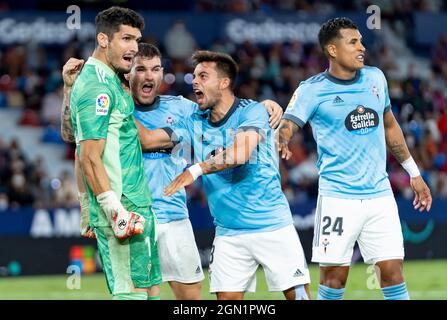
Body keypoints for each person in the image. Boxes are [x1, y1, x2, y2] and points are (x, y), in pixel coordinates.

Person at [61, 43, 283, 300]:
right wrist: (70, 90)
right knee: (141, 295)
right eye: (140, 69)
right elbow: (72, 136)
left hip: (174, 216)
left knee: (191, 300)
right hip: (133, 216)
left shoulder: (182, 108)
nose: (148, 76)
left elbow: (224, 107)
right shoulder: (109, 104)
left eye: (155, 69)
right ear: (127, 75)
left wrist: (261, 105)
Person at [277, 17, 433, 300]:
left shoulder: (376, 78)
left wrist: (414, 172)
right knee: (334, 279)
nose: (362, 47)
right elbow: (288, 123)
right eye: (353, 42)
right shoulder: (312, 89)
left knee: (393, 271)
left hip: (379, 194)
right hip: (338, 198)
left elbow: (390, 126)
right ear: (333, 50)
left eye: (361, 41)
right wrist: (283, 137)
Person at [142, 50, 311, 300]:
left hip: (272, 227)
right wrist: (118, 102)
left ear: (223, 83)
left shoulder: (251, 112)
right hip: (228, 234)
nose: (195, 81)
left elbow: (240, 154)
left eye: (203, 76)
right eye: (194, 76)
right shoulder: (193, 121)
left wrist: (196, 169)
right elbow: (147, 140)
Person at [64, 7, 161, 300]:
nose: (134, 48)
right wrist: (112, 210)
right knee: (131, 295)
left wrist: (68, 90)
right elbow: (88, 155)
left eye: (137, 39)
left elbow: (74, 138)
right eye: (126, 38)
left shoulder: (112, 81)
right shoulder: (97, 86)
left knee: (150, 293)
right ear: (103, 40)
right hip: (121, 209)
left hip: (136, 206)